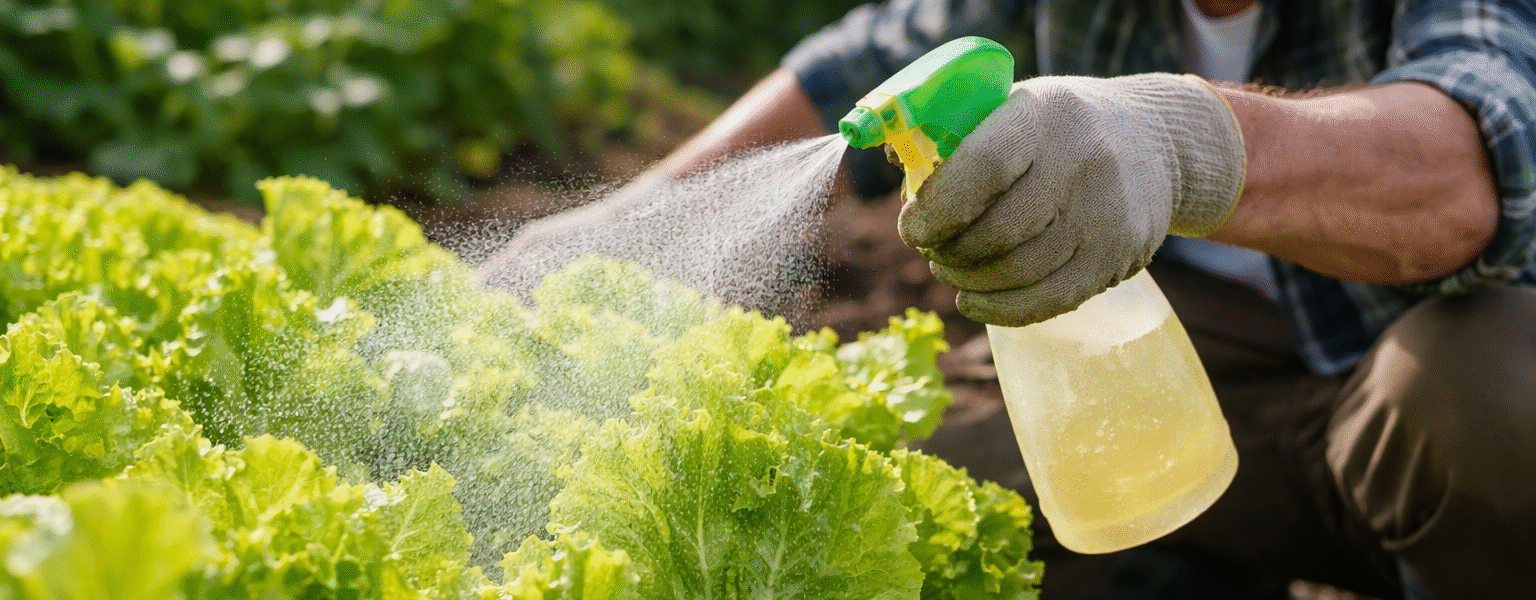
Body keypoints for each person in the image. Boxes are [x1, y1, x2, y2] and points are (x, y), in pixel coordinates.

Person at [481, 1, 1536, 598]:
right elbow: (859, 66)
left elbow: (1477, 164)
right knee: (940, 525)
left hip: (1424, 387)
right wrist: (637, 226)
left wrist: (1186, 139)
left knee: (1498, 396)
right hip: (1193, 386)